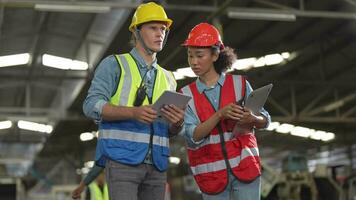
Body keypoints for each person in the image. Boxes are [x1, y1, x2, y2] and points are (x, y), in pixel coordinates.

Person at [82, 2, 185, 200]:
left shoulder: (169, 77)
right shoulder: (114, 65)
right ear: (136, 32)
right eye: (153, 28)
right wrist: (132, 112)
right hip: (122, 162)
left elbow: (168, 130)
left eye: (163, 29)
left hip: (157, 165)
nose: (160, 34)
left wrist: (177, 123)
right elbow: (91, 105)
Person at [180, 23, 271, 200]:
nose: (193, 62)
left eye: (199, 55)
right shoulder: (186, 95)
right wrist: (220, 114)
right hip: (211, 175)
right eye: (190, 55)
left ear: (215, 55)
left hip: (246, 168)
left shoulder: (240, 84)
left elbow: (265, 120)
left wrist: (253, 118)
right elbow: (192, 136)